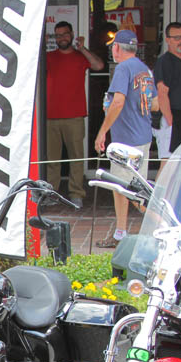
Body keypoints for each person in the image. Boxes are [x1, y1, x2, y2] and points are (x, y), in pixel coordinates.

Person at [94, 30, 157, 249]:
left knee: (131, 190)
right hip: (143, 135)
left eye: (113, 46)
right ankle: (121, 232)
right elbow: (155, 104)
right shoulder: (145, 70)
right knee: (121, 187)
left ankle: (160, 223)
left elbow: (118, 102)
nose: (112, 50)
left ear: (118, 48)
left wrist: (102, 131)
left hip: (127, 140)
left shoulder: (123, 68)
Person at [45, 21, 105, 210]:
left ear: (71, 34)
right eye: (58, 35)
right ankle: (51, 193)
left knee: (76, 158)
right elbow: (29, 65)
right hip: (50, 116)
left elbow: (99, 65)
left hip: (75, 116)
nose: (61, 38)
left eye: (64, 34)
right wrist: (40, 44)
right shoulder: (48, 57)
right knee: (52, 160)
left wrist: (83, 48)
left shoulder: (80, 56)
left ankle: (76, 194)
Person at [153, 22, 181, 156]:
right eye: (176, 38)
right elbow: (162, 92)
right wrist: (170, 122)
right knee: (168, 163)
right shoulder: (165, 61)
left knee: (180, 162)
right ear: (167, 40)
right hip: (171, 118)